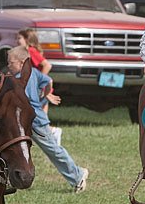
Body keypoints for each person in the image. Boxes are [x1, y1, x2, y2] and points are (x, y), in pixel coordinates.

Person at [6, 47, 88, 193]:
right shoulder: (33, 73)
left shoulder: (21, 78)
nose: (8, 66)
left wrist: (44, 96)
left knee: (53, 150)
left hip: (35, 121)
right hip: (28, 120)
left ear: (22, 63)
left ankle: (78, 176)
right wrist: (45, 94)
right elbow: (48, 80)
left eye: (11, 63)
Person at [17, 29, 60, 143]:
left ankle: (54, 133)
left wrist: (39, 79)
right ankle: (52, 135)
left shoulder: (31, 51)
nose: (17, 41)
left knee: (36, 120)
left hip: (40, 90)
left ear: (26, 39)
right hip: (40, 90)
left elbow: (47, 65)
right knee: (39, 120)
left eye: (19, 38)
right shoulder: (27, 51)